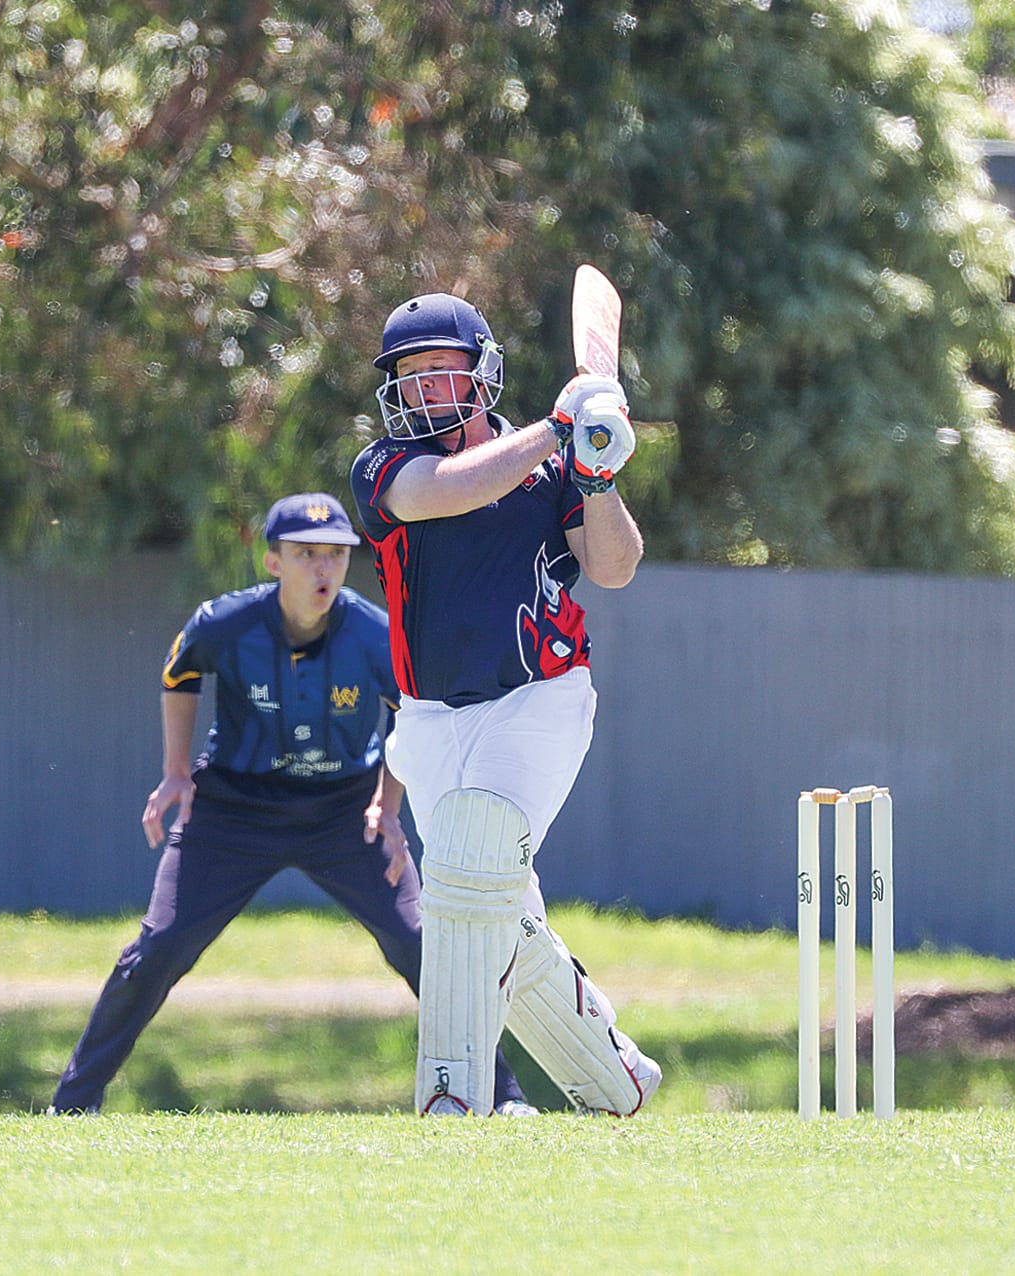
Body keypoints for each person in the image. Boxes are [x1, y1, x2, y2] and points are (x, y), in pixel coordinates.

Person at [49, 492, 535, 1115]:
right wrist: (175, 773)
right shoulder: (224, 623)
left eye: (335, 554)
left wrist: (387, 807)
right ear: (273, 560)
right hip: (233, 809)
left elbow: (411, 719)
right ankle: (71, 1105)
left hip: (345, 812)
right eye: (306, 555)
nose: (323, 569)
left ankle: (505, 1098)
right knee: (161, 947)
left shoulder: (373, 634)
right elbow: (180, 676)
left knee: (423, 946)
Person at [348, 291, 664, 1116]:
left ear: (480, 373)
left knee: (475, 852)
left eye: (438, 371)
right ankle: (611, 1075)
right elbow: (446, 493)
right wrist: (558, 430)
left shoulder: (550, 471)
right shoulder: (384, 468)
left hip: (539, 701)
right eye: (408, 377)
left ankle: (451, 1097)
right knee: (482, 906)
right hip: (426, 720)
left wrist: (596, 475)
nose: (423, 390)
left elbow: (616, 565)